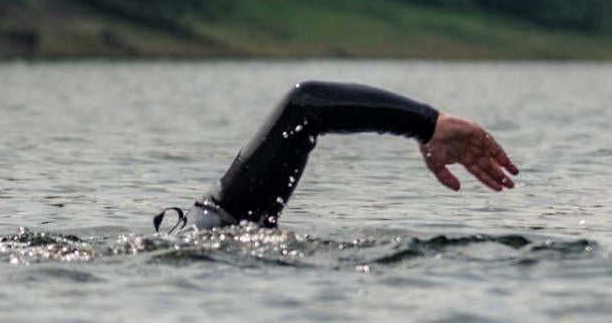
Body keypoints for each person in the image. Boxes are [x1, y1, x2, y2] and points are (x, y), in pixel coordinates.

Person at [155, 81, 518, 230]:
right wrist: (425, 124)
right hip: (218, 234)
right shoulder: (218, 232)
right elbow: (305, 107)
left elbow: (305, 107)